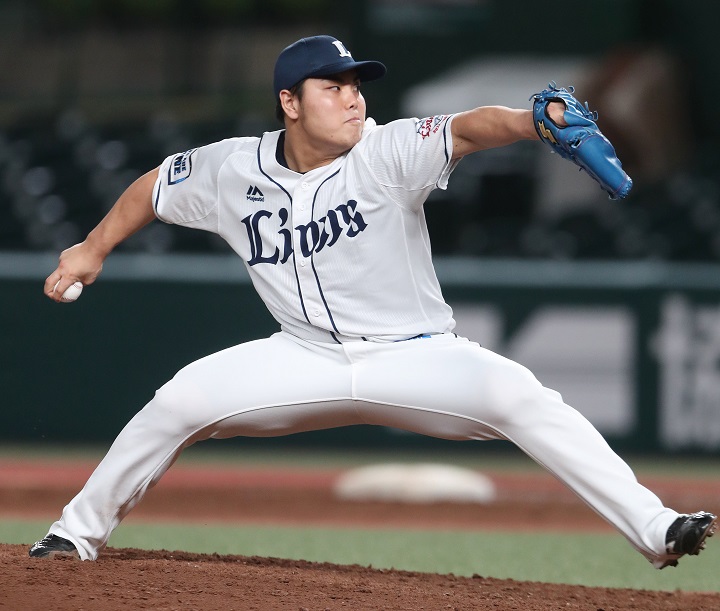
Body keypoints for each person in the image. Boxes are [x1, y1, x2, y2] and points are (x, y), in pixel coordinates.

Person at [30, 35, 715, 568]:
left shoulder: (386, 150)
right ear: (290, 103)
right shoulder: (232, 167)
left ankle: (658, 527)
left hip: (416, 356)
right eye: (333, 87)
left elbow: (469, 128)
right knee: (177, 401)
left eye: (357, 85)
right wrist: (92, 247)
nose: (353, 99)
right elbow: (155, 186)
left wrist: (533, 120)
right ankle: (72, 535)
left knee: (525, 399)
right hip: (301, 356)